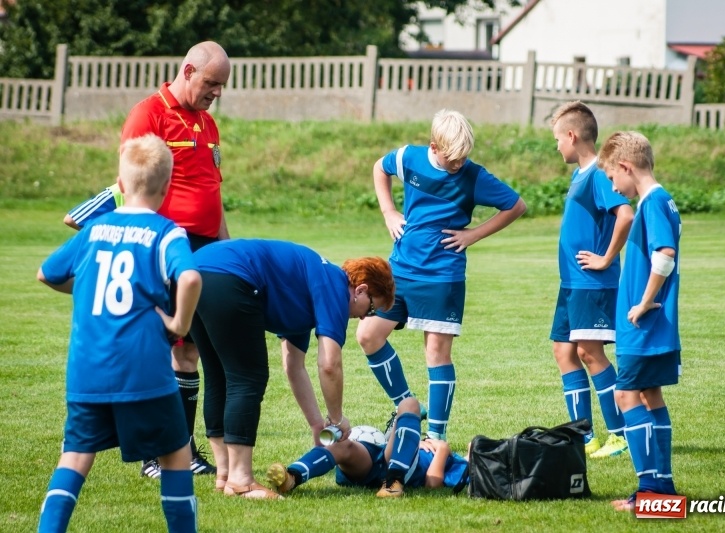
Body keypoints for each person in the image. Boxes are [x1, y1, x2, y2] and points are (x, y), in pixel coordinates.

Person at [62, 40, 231, 478]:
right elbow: (130, 185)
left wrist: (227, 249)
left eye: (222, 86)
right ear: (188, 71)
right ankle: (155, 456)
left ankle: (182, 452)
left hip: (206, 249)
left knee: (190, 350)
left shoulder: (208, 123)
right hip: (165, 248)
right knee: (164, 350)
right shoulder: (148, 114)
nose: (217, 92)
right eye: (211, 83)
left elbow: (213, 191)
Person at [36, 134, 202, 533]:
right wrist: (179, 324)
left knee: (74, 458)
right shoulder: (168, 233)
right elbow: (192, 276)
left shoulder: (93, 231)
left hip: (87, 371)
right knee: (176, 455)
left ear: (121, 185)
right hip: (144, 370)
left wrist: (87, 289)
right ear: (167, 187)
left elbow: (47, 273)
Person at [356, 108, 527, 441]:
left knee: (436, 353)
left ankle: (435, 438)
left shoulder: (473, 176)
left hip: (442, 276)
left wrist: (473, 234)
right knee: (367, 336)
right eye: (453, 158)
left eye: (464, 157)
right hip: (400, 270)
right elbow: (380, 167)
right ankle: (406, 404)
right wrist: (389, 210)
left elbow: (516, 206)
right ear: (434, 146)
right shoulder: (410, 158)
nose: (459, 164)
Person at [188, 239, 395, 499]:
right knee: (247, 379)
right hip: (230, 275)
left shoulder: (308, 291)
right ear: (361, 290)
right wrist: (337, 418)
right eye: (372, 308)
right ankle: (241, 480)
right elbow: (329, 364)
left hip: (194, 271)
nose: (365, 317)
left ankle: (225, 475)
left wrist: (316, 424)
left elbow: (293, 366)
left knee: (219, 375)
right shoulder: (335, 285)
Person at [597, 131, 682, 511]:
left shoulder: (652, 204)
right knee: (650, 396)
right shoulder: (662, 201)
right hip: (656, 328)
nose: (614, 188)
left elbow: (665, 255)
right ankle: (662, 490)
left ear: (626, 167)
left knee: (625, 395)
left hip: (644, 326)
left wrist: (644, 303)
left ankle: (649, 492)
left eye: (614, 179)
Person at [548, 101, 634, 459]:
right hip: (571, 284)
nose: (556, 147)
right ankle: (582, 437)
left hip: (591, 284)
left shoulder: (600, 173)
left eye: (557, 139)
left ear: (572, 135)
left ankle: (619, 434)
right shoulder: (579, 174)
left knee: (589, 352)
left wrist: (607, 258)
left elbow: (625, 215)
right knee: (564, 351)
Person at [266, 397, 468, 497]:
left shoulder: (462, 467)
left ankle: (393, 485)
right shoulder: (461, 459)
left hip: (401, 469)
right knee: (343, 447)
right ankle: (293, 476)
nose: (471, 447)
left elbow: (433, 484)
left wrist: (443, 450)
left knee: (411, 403)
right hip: (387, 456)